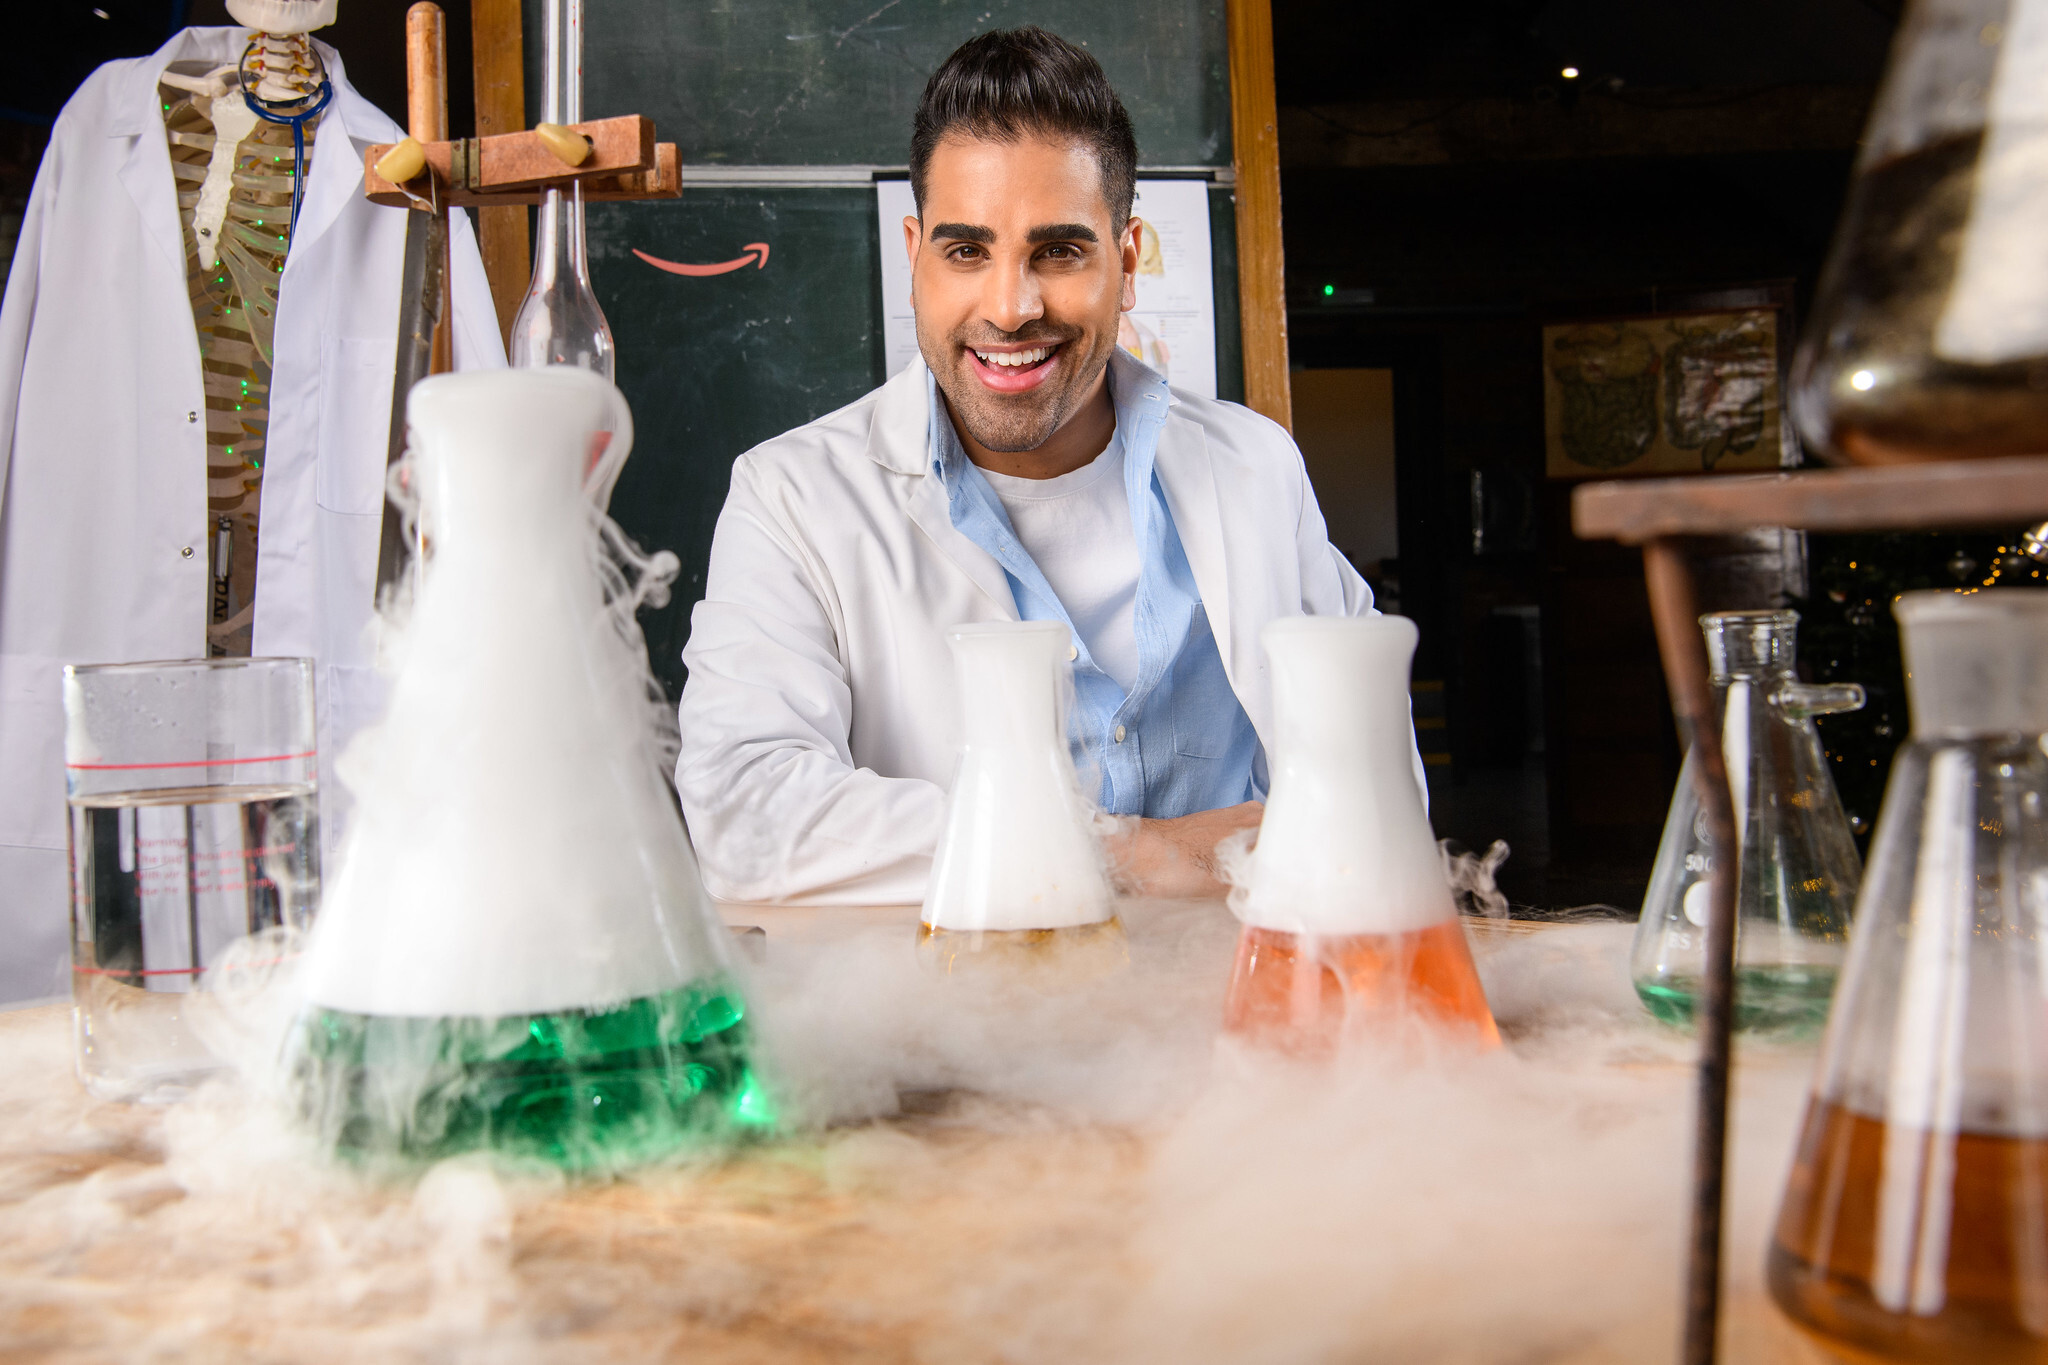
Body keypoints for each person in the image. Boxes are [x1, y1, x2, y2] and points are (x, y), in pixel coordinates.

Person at [677, 26, 1379, 906]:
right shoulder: (792, 498)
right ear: (914, 257)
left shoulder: (1254, 469)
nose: (1010, 308)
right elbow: (746, 820)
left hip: (1239, 1025)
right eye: (967, 250)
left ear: (1126, 263)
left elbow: (1375, 786)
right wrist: (1130, 855)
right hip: (947, 1031)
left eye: (1059, 251)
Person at [0, 18, 504, 1004]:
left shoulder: (391, 160)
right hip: (113, 629)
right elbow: (26, 364)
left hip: (299, 668)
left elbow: (481, 429)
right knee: (94, 1030)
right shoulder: (105, 124)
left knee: (291, 1014)